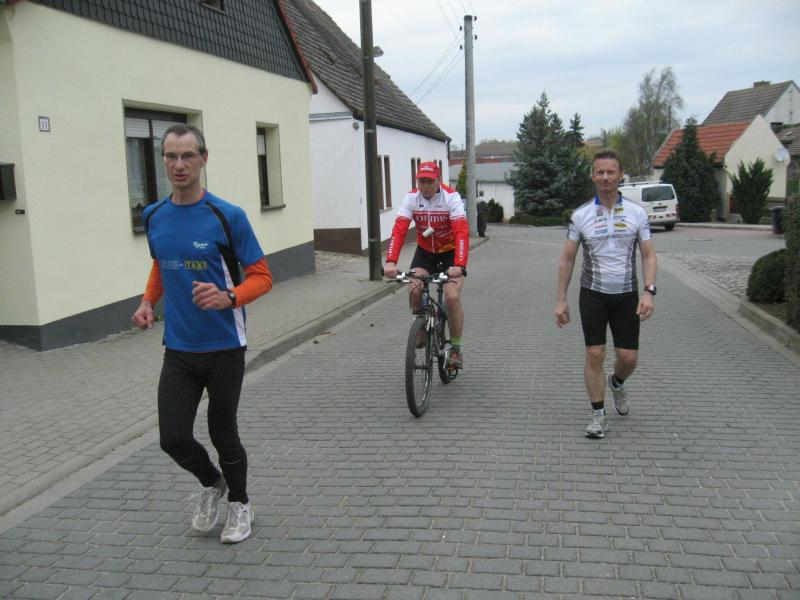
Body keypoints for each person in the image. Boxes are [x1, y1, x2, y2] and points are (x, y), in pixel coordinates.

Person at [131, 124, 272, 543]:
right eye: (171, 156)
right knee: (172, 438)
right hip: (178, 348)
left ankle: (240, 504)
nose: (179, 165)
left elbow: (262, 277)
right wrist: (147, 302)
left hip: (225, 346)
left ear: (203, 159)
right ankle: (213, 483)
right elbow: (161, 265)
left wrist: (230, 297)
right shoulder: (154, 216)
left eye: (188, 155)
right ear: (163, 160)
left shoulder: (227, 216)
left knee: (222, 432)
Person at [554, 150, 657, 439]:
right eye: (600, 172)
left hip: (626, 295)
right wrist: (561, 299)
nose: (605, 177)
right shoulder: (581, 215)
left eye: (611, 172)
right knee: (595, 353)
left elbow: (649, 255)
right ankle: (598, 415)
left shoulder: (637, 213)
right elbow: (567, 259)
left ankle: (618, 382)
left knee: (628, 357)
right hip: (593, 294)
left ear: (620, 175)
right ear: (593, 176)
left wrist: (649, 292)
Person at [384, 161, 469, 368]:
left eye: (429, 181)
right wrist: (391, 261)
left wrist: (459, 264)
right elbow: (399, 230)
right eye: (421, 181)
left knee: (452, 297)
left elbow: (461, 231)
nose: (425, 186)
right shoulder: (412, 198)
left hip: (450, 255)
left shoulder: (451, 198)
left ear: (439, 180)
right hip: (425, 253)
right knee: (414, 288)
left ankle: (456, 349)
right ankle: (421, 327)